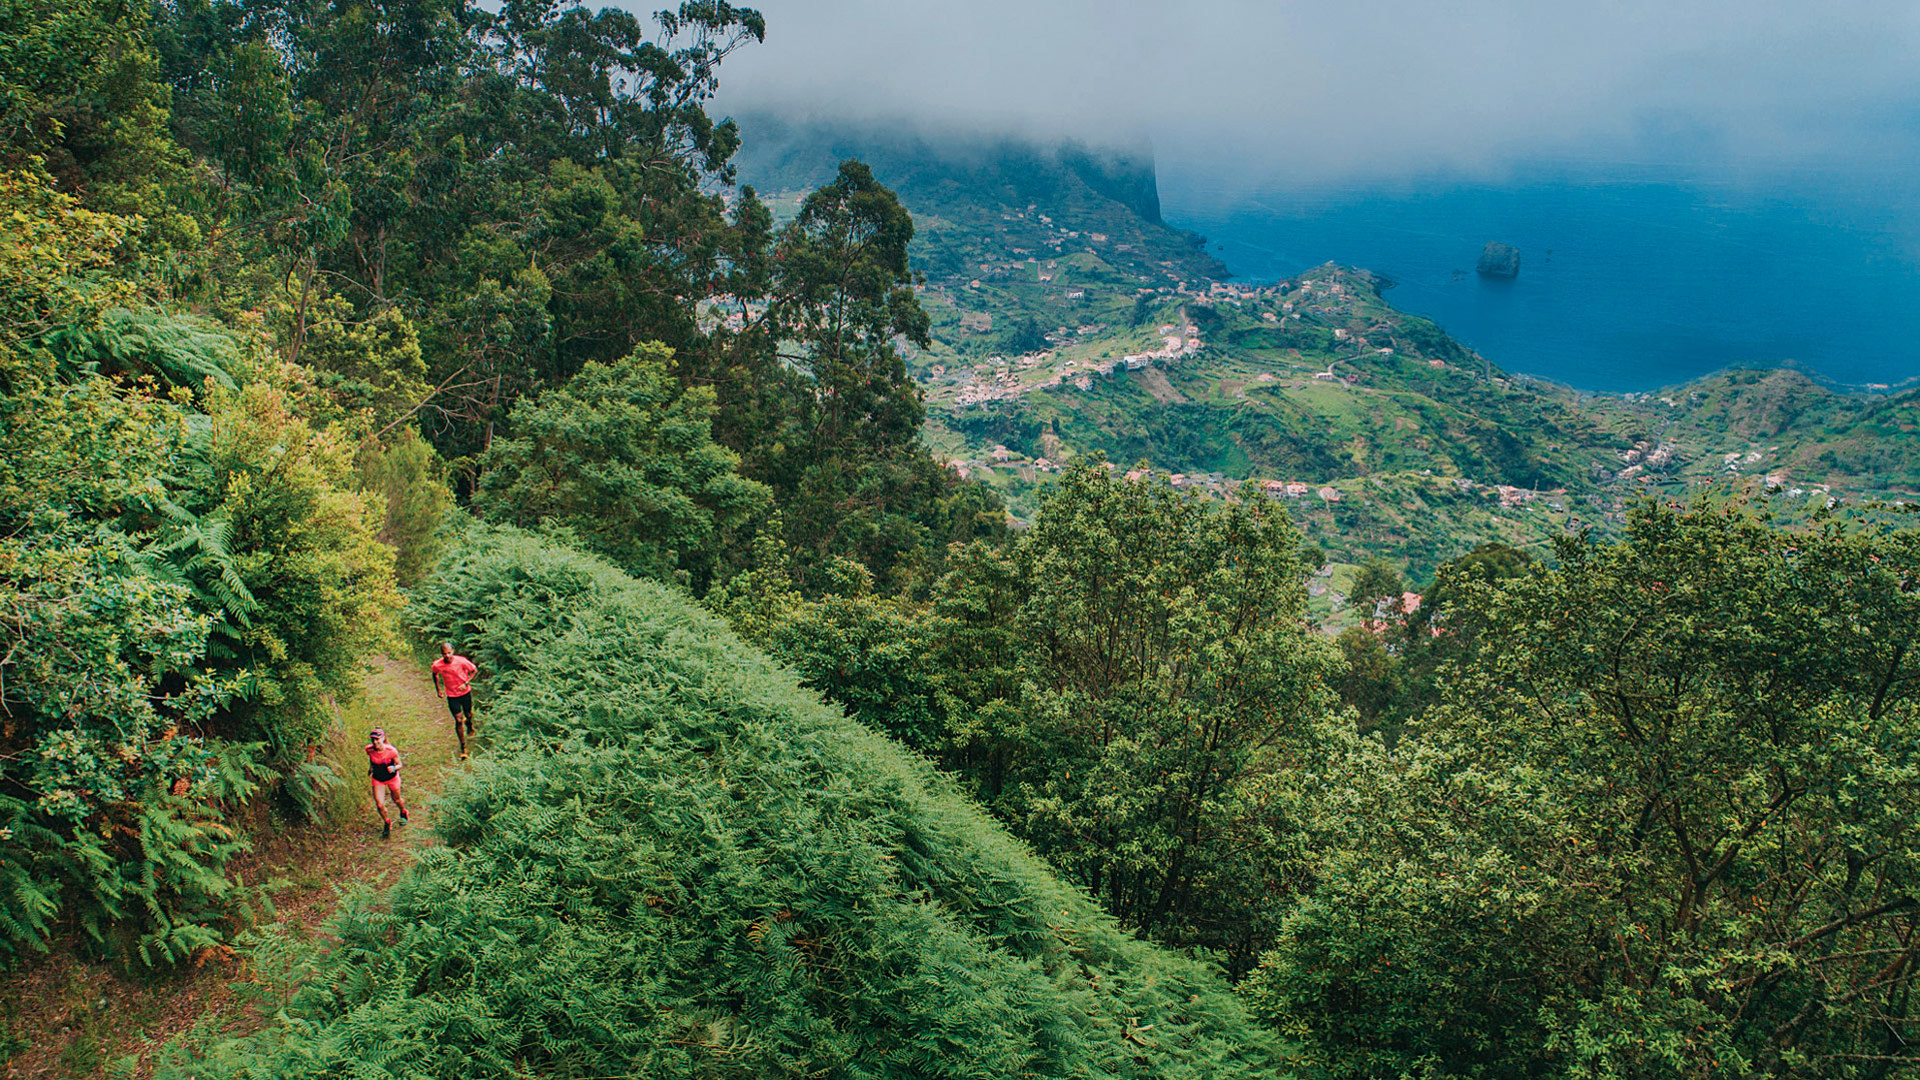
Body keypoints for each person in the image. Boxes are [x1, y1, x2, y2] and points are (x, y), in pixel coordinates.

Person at [430, 641, 479, 759]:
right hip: (452, 696)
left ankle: (470, 725)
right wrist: (438, 690)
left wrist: (466, 683)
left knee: (468, 714)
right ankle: (463, 748)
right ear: (441, 654)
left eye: (449, 653)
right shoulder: (438, 664)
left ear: (453, 651)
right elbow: (434, 674)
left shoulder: (461, 661)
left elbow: (474, 670)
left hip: (465, 693)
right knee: (458, 720)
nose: (447, 656)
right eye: (444, 654)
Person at [365, 728, 409, 839]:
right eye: (373, 740)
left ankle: (403, 812)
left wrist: (394, 767)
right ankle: (387, 822)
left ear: (383, 738)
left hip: (392, 778)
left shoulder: (391, 751)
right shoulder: (369, 749)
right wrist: (371, 768)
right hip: (378, 778)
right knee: (379, 804)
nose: (375, 742)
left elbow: (400, 764)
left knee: (397, 799)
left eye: (377, 739)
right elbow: (371, 759)